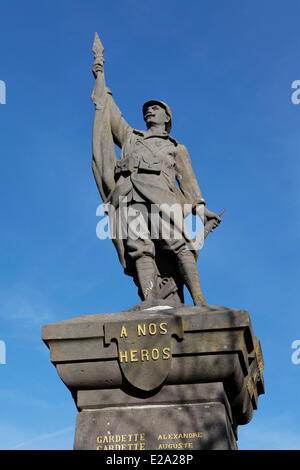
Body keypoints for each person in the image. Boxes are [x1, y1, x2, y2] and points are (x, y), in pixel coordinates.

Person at [91, 55, 221, 307]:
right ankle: (150, 300)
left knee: (179, 244)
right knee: (139, 247)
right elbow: (111, 114)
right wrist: (100, 80)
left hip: (163, 199)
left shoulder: (176, 148)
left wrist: (202, 211)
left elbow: (189, 184)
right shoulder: (131, 137)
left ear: (167, 117)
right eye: (147, 109)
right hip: (130, 196)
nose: (150, 110)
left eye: (156, 108)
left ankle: (199, 299)